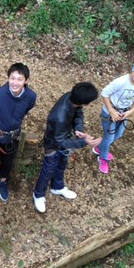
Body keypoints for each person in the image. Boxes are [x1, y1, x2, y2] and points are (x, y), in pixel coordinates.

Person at [32, 82, 101, 214]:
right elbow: (60, 142)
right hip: (53, 144)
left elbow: (78, 112)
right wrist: (84, 141)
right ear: (85, 103)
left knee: (61, 165)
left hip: (65, 136)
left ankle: (57, 187)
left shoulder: (72, 97)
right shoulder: (59, 116)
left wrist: (78, 129)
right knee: (48, 170)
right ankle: (38, 194)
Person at [0, 62, 37, 201]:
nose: (15, 82)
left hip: (12, 136)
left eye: (20, 79)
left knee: (8, 162)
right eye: (12, 78)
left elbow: (27, 109)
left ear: (26, 81)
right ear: (8, 78)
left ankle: (2, 180)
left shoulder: (30, 96)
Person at [94, 59, 134, 174]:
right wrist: (111, 111)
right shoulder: (121, 81)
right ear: (132, 69)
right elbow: (105, 93)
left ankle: (100, 148)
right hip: (110, 112)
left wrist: (131, 111)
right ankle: (103, 157)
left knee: (118, 134)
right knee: (109, 138)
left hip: (124, 112)